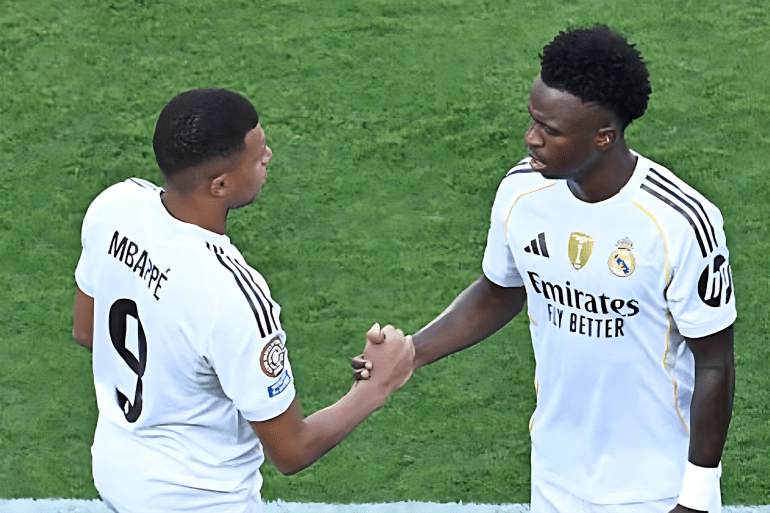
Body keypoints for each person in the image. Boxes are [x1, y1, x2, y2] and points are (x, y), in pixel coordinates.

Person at [354, 25, 735, 513]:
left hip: (654, 488)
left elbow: (715, 362)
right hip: (555, 478)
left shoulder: (679, 221)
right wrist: (411, 353)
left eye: (549, 130)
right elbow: (500, 291)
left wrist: (699, 496)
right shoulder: (522, 191)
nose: (530, 138)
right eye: (533, 120)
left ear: (604, 136)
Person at [72, 88, 414, 513]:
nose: (268, 155)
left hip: (116, 477)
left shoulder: (115, 206)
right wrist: (379, 384)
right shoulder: (231, 294)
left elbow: (87, 331)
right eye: (257, 155)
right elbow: (292, 450)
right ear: (219, 184)